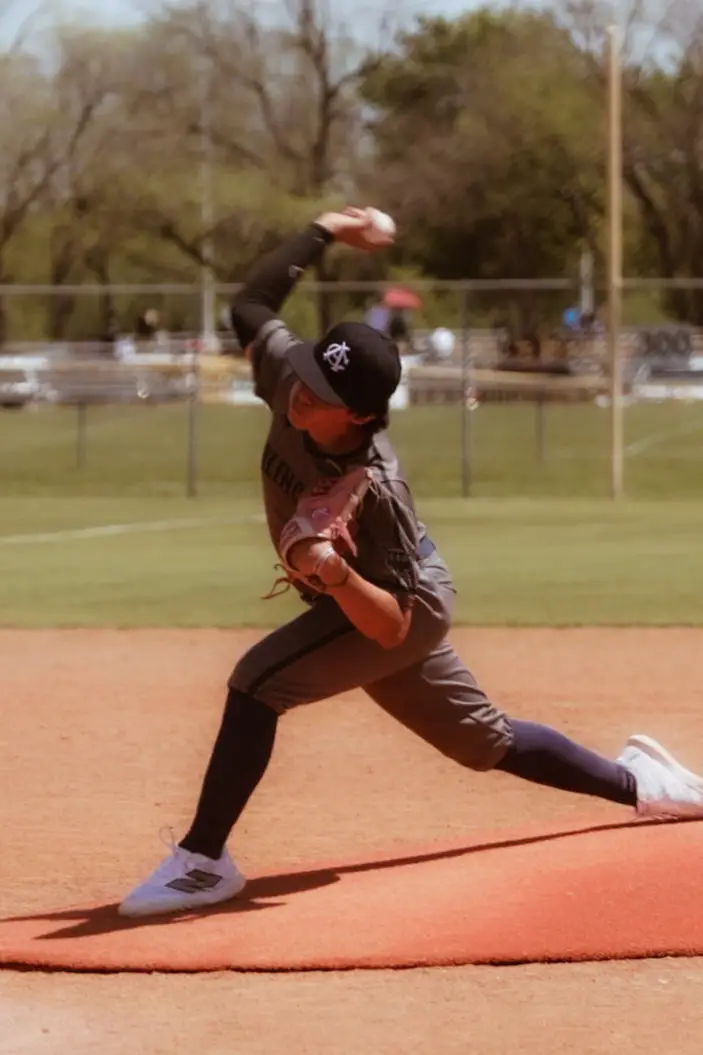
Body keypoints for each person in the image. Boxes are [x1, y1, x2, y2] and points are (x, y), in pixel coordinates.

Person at [119, 207, 703, 918]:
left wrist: (331, 568)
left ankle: (202, 860)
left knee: (258, 682)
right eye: (306, 373)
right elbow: (250, 308)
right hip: (363, 599)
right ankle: (646, 785)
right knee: (483, 741)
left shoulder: (377, 487)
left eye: (321, 394)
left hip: (400, 600)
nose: (301, 390)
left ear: (359, 416)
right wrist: (323, 229)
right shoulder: (289, 374)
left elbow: (391, 627)